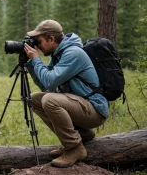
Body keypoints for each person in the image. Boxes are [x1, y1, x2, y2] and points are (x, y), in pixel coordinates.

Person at [23, 19, 108, 168]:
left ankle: (75, 148)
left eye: (39, 41)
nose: (37, 45)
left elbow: (49, 82)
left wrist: (36, 60)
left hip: (94, 110)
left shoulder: (72, 53)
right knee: (36, 99)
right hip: (80, 106)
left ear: (51, 39)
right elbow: (45, 85)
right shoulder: (58, 54)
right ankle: (82, 135)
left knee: (50, 100)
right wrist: (31, 64)